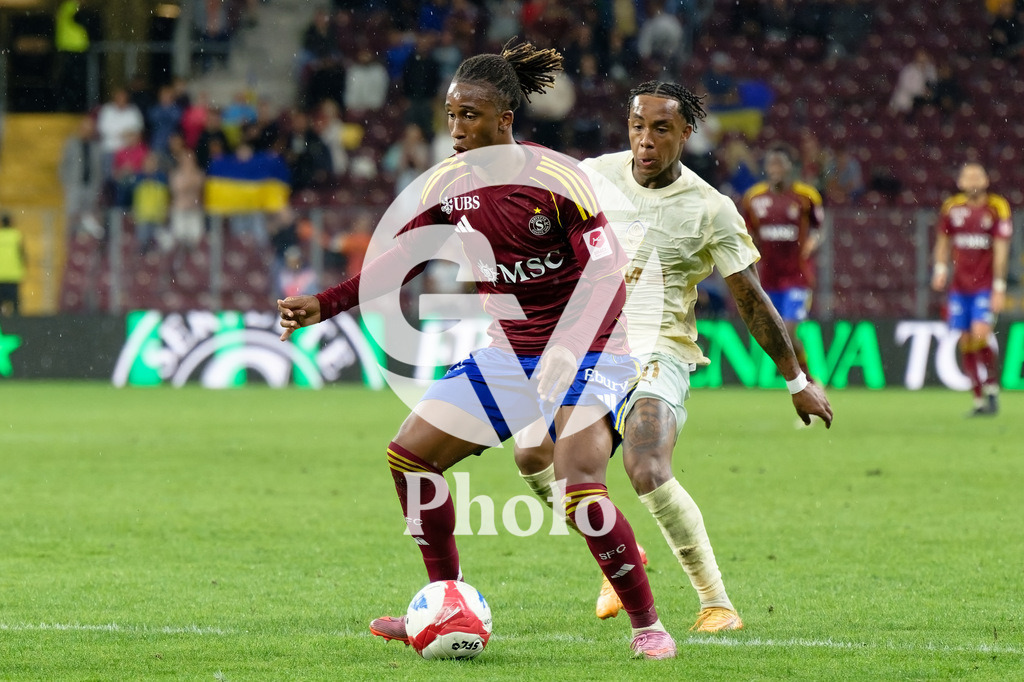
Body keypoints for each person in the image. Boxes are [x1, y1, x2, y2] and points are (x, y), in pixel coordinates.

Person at [278, 41, 678, 660]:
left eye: (469, 115)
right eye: (451, 114)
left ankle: (647, 625)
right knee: (410, 457)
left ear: (504, 120)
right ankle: (446, 602)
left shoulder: (558, 179)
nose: (456, 128)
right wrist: (324, 305)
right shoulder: (448, 183)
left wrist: (568, 349)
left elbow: (606, 277)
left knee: (579, 487)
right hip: (508, 354)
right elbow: (403, 259)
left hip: (592, 352)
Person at [512, 81, 834, 632]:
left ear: (686, 133)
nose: (646, 140)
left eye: (661, 129)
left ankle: (716, 604)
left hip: (659, 351)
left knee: (645, 464)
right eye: (638, 126)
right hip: (589, 349)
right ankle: (620, 554)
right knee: (531, 454)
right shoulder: (592, 176)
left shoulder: (711, 209)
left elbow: (751, 299)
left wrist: (796, 380)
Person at [931, 163, 1012, 416]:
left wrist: (999, 288)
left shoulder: (997, 207)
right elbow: (942, 242)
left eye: (978, 175)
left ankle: (992, 387)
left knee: (979, 334)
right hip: (959, 287)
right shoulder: (951, 207)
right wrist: (940, 269)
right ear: (960, 182)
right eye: (968, 176)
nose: (973, 180)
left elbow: (1001, 250)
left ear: (986, 180)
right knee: (965, 341)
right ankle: (979, 400)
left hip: (984, 287)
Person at [740, 142, 824, 385]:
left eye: (780, 164)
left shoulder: (806, 196)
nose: (775, 169)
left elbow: (819, 228)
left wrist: (812, 243)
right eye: (771, 164)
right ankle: (802, 379)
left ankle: (806, 381)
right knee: (775, 335)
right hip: (768, 278)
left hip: (798, 276)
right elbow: (747, 233)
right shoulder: (754, 198)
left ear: (790, 167)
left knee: (788, 329)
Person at [0, 214, 27, 316]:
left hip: (0, 275)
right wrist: (24, 267)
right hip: (13, 275)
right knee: (15, 302)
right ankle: (17, 321)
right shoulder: (16, 235)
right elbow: (22, 254)